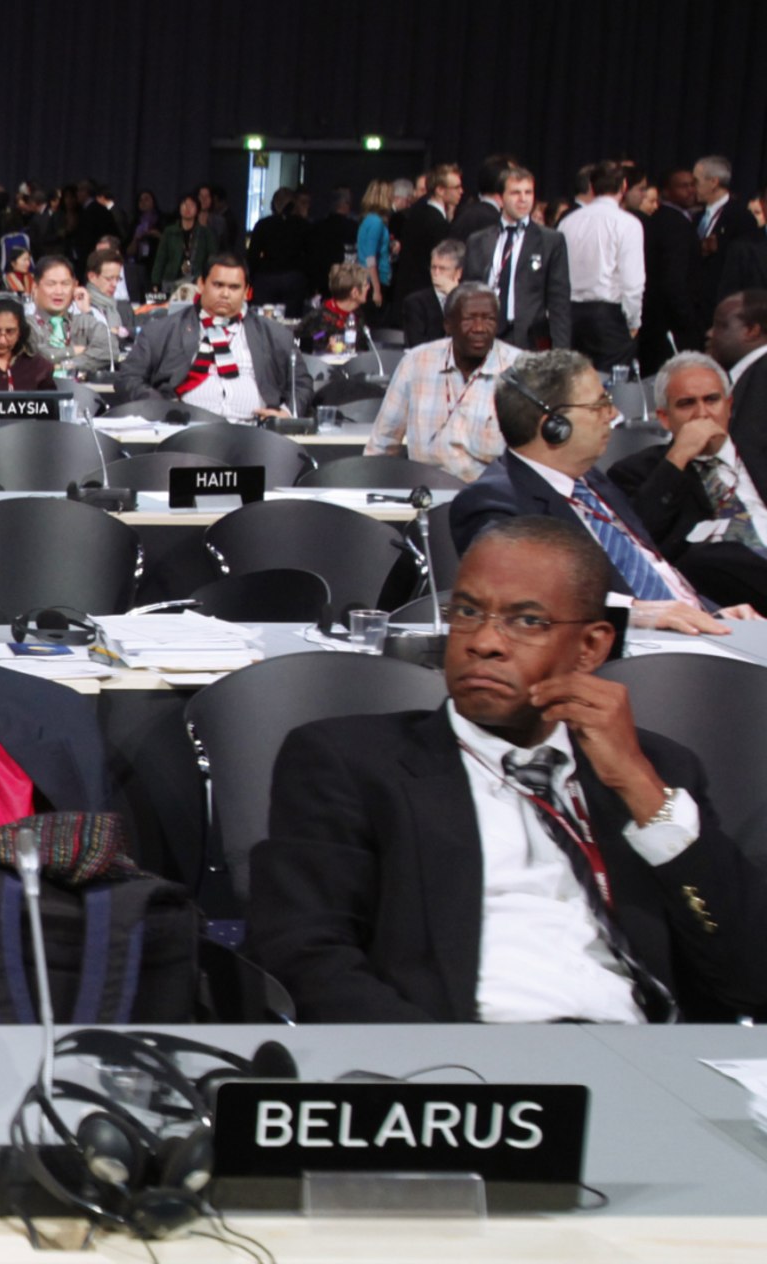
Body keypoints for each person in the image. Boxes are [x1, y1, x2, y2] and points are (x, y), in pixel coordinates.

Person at [249, 515, 767, 1023]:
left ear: (591, 647)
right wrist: (445, 1079)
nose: (484, 642)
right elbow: (304, 957)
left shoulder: (656, 772)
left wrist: (643, 794)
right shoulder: (352, 762)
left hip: (647, 1065)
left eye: (526, 621)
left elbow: (749, 979)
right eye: (468, 612)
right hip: (468, 1074)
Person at [449, 348, 760, 633]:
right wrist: (634, 614)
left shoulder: (593, 482)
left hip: (699, 630)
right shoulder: (495, 501)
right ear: (554, 425)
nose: (613, 416)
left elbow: (656, 571)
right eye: (599, 405)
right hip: (635, 655)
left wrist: (714, 614)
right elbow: (526, 599)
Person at [605, 352, 767, 610]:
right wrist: (679, 456)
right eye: (686, 404)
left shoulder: (759, 453)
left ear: (729, 405)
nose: (702, 414)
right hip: (721, 591)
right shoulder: (637, 472)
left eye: (712, 400)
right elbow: (638, 539)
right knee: (713, 555)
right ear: (665, 417)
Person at [119, 253, 312, 421]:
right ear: (201, 284)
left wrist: (287, 413)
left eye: (234, 287)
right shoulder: (162, 330)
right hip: (183, 433)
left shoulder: (275, 335)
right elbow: (128, 377)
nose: (225, 294)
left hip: (255, 433)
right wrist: (160, 406)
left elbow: (302, 383)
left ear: (246, 292)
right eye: (218, 285)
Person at [368, 283, 521, 481]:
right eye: (469, 319)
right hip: (425, 493)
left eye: (489, 319)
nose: (480, 328)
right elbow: (383, 443)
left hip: (494, 496)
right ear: (448, 324)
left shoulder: (519, 368)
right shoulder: (415, 363)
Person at [466, 166, 573, 350]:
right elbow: (466, 294)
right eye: (516, 193)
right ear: (500, 199)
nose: (523, 199)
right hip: (484, 336)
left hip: (528, 341)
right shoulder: (478, 240)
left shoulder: (551, 241)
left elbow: (559, 302)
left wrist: (561, 352)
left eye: (528, 192)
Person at [563, 162, 646, 372]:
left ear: (591, 186)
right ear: (624, 187)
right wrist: (633, 321)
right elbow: (633, 282)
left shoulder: (568, 222)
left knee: (574, 384)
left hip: (569, 315)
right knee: (613, 390)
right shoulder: (628, 223)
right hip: (607, 316)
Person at [691, 156, 763, 337]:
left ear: (713, 182)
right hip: (695, 306)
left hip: (722, 303)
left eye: (696, 181)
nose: (692, 187)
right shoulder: (697, 216)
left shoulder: (740, 217)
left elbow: (747, 264)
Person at [709, 291, 767, 505]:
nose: (710, 333)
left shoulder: (762, 374)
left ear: (752, 331)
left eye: (721, 325)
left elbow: (750, 449)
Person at [642, 168, 702, 369]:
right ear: (666, 192)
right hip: (671, 324)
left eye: (693, 184)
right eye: (683, 186)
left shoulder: (675, 220)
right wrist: (687, 319)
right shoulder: (673, 224)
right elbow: (673, 278)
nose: (691, 190)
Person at [28, 256, 112, 372]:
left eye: (65, 284)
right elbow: (36, 355)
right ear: (35, 287)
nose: (59, 291)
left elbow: (108, 350)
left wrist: (67, 365)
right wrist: (73, 351)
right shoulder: (25, 324)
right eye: (51, 284)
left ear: (75, 286)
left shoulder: (86, 321)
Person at [392, 163, 461, 304]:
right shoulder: (436, 223)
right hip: (423, 297)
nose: (461, 191)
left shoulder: (419, 213)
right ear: (440, 190)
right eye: (456, 187)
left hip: (407, 293)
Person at [297, 263, 374, 355]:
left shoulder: (359, 314)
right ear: (354, 293)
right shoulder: (319, 316)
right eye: (365, 284)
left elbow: (364, 348)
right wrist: (325, 343)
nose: (368, 287)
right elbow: (311, 338)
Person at [400, 239, 465, 346]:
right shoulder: (415, 303)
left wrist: (454, 295)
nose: (436, 273)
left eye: (442, 269)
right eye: (433, 267)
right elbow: (417, 345)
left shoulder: (467, 301)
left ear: (458, 272)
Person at [149, 193, 216, 294]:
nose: (187, 208)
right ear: (179, 208)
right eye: (184, 204)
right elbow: (161, 258)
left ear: (197, 209)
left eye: (191, 205)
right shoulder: (170, 231)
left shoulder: (205, 233)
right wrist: (155, 281)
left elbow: (212, 257)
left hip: (195, 279)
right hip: (171, 279)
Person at [356, 180, 395, 315]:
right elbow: (370, 257)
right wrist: (377, 289)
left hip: (370, 279)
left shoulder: (368, 220)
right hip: (374, 280)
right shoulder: (376, 222)